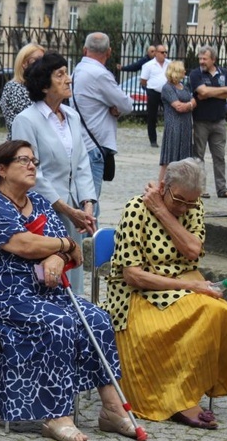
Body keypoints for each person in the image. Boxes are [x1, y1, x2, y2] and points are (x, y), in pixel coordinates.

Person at [0, 140, 143, 441]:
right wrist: (62, 246)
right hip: (3, 297)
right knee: (59, 323)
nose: (33, 165)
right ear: (1, 169)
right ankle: (56, 415)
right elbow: (24, 244)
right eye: (24, 160)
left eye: (35, 161)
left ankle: (111, 409)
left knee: (97, 319)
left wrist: (59, 255)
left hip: (45, 293)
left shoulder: (41, 203)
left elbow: (76, 255)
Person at [103, 158, 227, 428]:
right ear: (163, 188)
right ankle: (178, 400)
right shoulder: (136, 209)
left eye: (190, 203)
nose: (184, 209)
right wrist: (194, 286)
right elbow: (133, 275)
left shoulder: (192, 206)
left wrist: (165, 213)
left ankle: (190, 387)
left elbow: (192, 250)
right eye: (178, 201)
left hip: (185, 282)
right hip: (139, 293)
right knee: (198, 316)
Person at [11, 51, 96, 295]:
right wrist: (66, 209)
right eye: (60, 75)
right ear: (45, 85)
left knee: (75, 272)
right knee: (48, 275)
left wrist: (87, 204)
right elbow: (30, 172)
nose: (68, 79)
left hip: (73, 212)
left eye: (67, 73)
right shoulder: (26, 120)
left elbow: (81, 162)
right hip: (43, 212)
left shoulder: (72, 116)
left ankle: (75, 322)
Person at [72, 32, 133, 218]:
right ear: (109, 51)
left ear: (84, 50)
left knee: (81, 199)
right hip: (94, 146)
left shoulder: (77, 71)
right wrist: (115, 109)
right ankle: (90, 245)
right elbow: (126, 105)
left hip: (80, 141)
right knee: (90, 205)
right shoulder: (100, 74)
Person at [190, 45, 227, 199]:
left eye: (205, 59)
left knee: (219, 156)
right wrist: (221, 91)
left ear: (213, 59)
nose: (201, 61)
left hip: (219, 120)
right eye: (200, 58)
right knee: (199, 156)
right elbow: (202, 92)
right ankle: (200, 188)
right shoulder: (195, 74)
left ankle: (222, 188)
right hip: (200, 120)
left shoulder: (224, 73)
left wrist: (210, 92)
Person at [159, 61, 196, 181]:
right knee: (170, 158)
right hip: (174, 126)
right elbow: (178, 107)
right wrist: (190, 105)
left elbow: (194, 101)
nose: (185, 72)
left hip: (185, 126)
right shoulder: (167, 87)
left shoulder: (184, 87)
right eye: (182, 69)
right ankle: (161, 186)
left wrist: (189, 105)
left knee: (184, 159)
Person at [0, 43, 44, 139]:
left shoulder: (38, 87)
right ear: (24, 63)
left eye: (43, 61)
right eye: (37, 60)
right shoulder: (14, 87)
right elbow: (34, 118)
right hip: (22, 143)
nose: (42, 65)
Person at [140, 44, 171, 147]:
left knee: (170, 114)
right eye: (162, 52)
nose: (164, 54)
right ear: (156, 53)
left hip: (167, 92)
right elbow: (143, 80)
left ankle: (170, 138)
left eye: (165, 52)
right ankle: (153, 140)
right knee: (152, 116)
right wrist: (149, 88)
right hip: (153, 91)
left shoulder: (169, 64)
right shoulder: (148, 65)